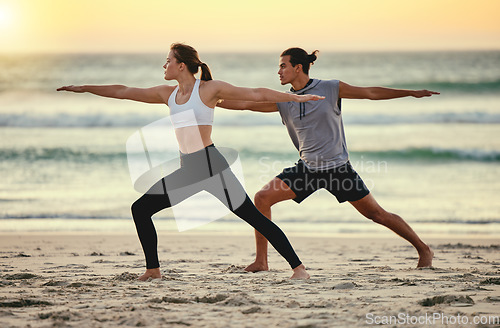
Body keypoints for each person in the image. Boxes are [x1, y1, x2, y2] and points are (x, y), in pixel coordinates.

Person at [57, 43, 325, 280]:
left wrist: (296, 97)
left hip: (210, 166)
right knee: (141, 210)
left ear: (181, 65)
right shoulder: (168, 94)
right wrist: (84, 88)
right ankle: (153, 270)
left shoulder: (209, 89)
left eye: (168, 61)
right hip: (189, 167)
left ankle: (298, 268)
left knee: (254, 218)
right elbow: (125, 91)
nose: (164, 65)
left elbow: (255, 93)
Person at [217, 47, 439, 273]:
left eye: (283, 66)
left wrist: (410, 93)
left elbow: (369, 93)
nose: (279, 71)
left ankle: (423, 249)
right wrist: (210, 99)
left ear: (298, 67)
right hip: (307, 170)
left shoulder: (330, 88)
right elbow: (244, 104)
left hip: (338, 170)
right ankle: (261, 261)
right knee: (262, 198)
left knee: (377, 214)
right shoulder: (283, 100)